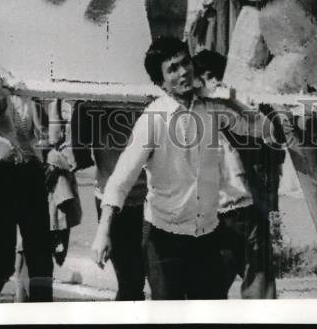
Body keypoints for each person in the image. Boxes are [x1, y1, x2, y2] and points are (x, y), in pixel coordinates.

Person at [91, 36, 250, 300]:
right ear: (160, 82)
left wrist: (232, 95)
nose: (183, 72)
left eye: (185, 62)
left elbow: (251, 126)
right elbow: (120, 180)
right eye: (172, 68)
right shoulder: (152, 120)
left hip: (207, 236)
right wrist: (102, 233)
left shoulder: (211, 108)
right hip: (164, 242)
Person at [193, 49, 277, 299]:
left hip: (249, 213)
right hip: (214, 219)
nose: (214, 83)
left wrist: (233, 100)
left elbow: (267, 129)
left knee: (262, 297)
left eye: (218, 77)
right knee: (208, 295)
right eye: (207, 77)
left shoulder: (229, 113)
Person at [0, 77, 54, 302]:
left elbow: (45, 133)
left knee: (40, 258)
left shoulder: (32, 84)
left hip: (30, 174)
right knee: (1, 260)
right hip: (0, 176)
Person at [71, 101, 147, 300]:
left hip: (131, 199)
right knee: (136, 281)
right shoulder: (93, 100)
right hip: (119, 200)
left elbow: (80, 151)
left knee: (137, 281)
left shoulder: (91, 100)